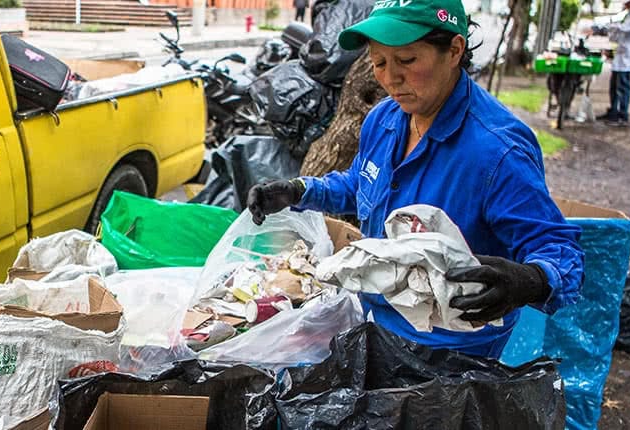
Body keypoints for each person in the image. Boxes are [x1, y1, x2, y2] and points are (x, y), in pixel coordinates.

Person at [246, 0, 584, 358]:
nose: (391, 78)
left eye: (407, 61)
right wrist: (299, 191)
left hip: (451, 356)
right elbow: (362, 184)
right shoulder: (384, 119)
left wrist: (531, 281)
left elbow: (558, 250)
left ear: (454, 50)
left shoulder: (497, 151)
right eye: (379, 63)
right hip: (376, 322)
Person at [592, 0, 630, 127]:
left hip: (629, 57)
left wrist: (613, 25)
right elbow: (620, 33)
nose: (625, 5)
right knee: (614, 86)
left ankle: (622, 115)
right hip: (623, 56)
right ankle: (613, 111)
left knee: (623, 87)